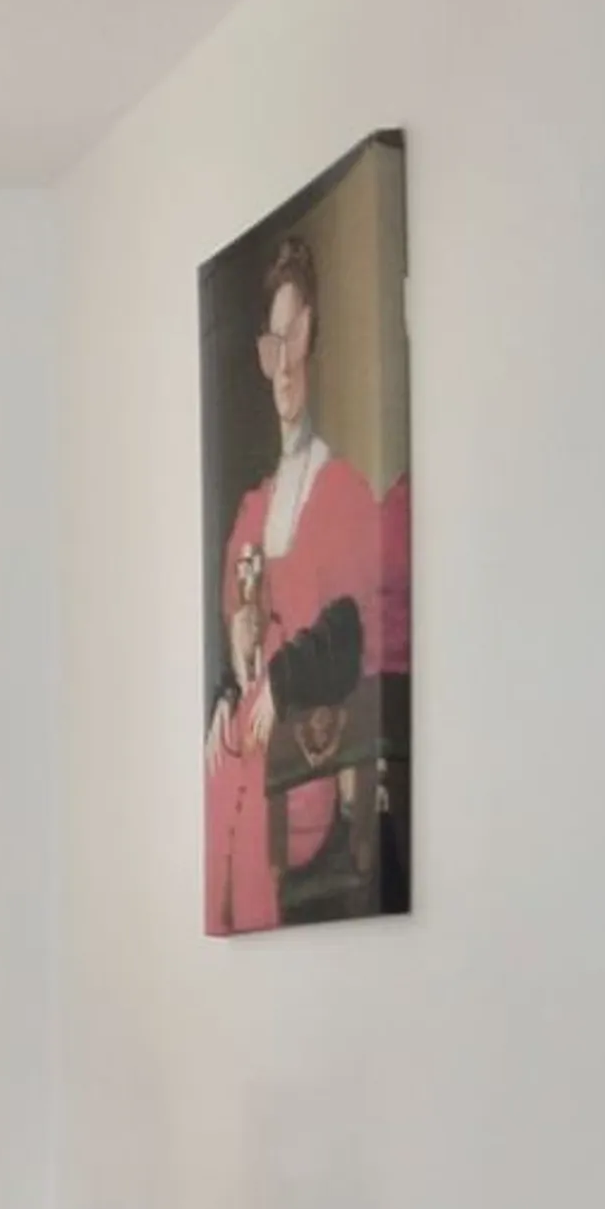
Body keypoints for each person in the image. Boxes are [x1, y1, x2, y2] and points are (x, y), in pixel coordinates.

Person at [205, 234, 384, 933]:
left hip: (306, 745)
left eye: (295, 340)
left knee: (251, 780)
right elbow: (239, 647)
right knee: (219, 763)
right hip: (250, 740)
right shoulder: (254, 508)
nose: (283, 368)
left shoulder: (340, 491)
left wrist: (278, 680)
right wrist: (230, 685)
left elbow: (348, 634)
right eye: (270, 347)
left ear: (314, 344)